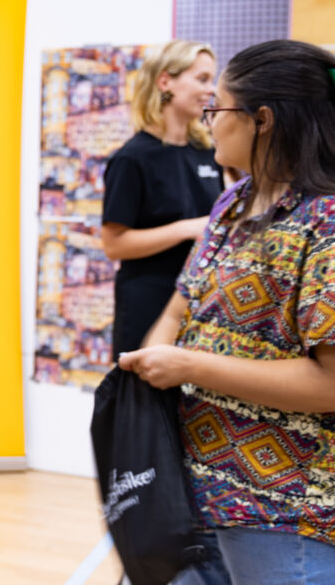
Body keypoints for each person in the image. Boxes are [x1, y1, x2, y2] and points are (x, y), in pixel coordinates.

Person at [121, 40, 335, 583]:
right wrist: (155, 364)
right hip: (200, 490)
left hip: (285, 511)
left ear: (262, 119)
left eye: (217, 107)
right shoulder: (232, 203)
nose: (209, 120)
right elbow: (180, 306)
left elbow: (330, 383)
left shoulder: (325, 220)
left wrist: (188, 366)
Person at [102, 40, 224, 360]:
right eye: (201, 79)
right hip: (148, 300)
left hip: (200, 302)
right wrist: (186, 229)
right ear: (165, 82)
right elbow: (114, 244)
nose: (210, 90)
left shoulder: (208, 153)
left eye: (211, 80)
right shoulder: (132, 158)